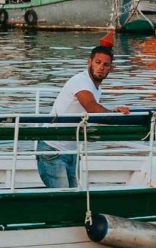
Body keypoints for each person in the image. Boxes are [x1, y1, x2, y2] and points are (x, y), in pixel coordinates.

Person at [36, 45, 130, 189]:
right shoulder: (81, 81)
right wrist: (115, 116)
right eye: (97, 62)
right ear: (89, 62)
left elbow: (91, 112)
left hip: (72, 151)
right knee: (63, 197)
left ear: (110, 68)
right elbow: (92, 108)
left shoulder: (96, 88)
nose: (101, 67)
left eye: (106, 64)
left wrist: (114, 112)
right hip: (53, 149)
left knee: (76, 195)